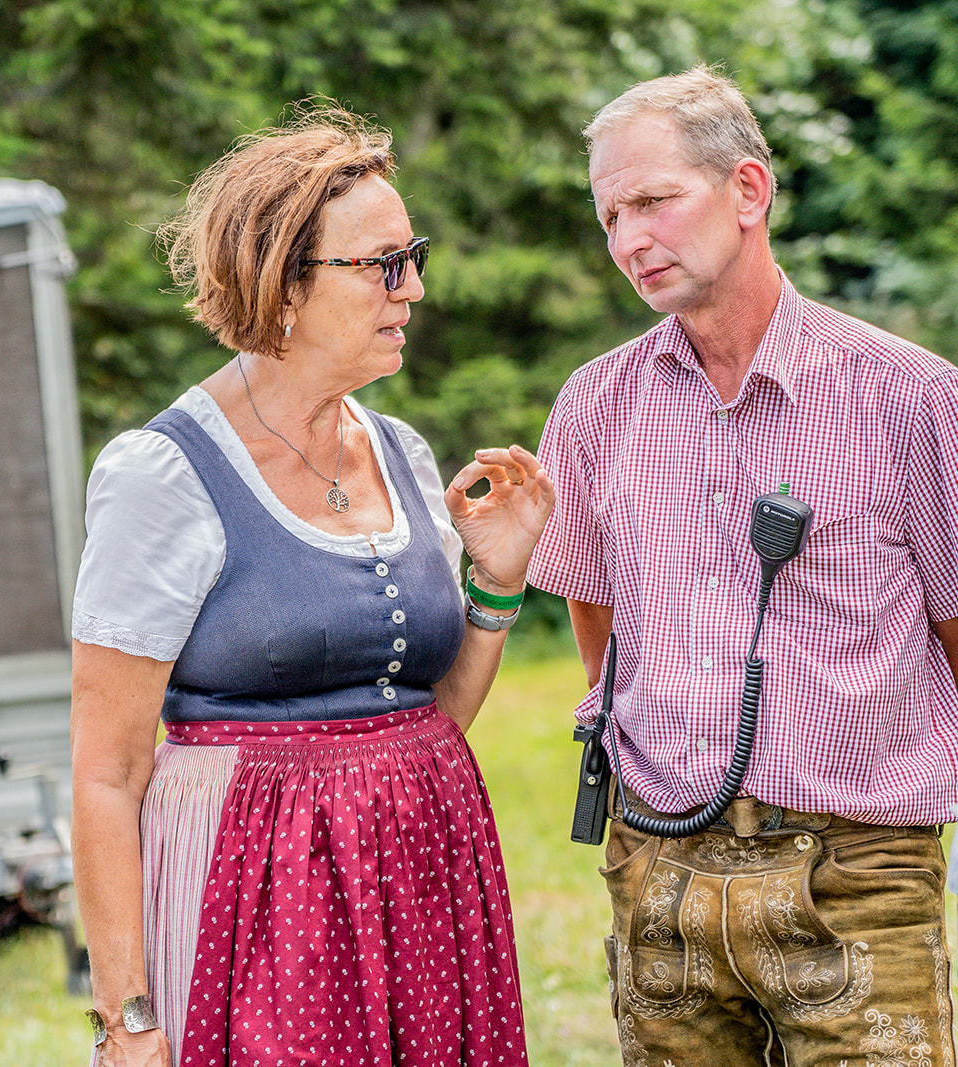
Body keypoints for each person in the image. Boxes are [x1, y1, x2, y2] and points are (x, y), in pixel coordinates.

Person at [70, 104, 553, 1067]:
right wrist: (126, 1015)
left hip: (422, 885)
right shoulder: (164, 475)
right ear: (283, 284)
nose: (411, 287)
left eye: (412, 256)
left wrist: (494, 591)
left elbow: (426, 721)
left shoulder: (403, 453)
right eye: (381, 264)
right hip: (258, 903)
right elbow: (105, 773)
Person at [529, 65, 958, 1066]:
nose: (630, 238)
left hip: (860, 868)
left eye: (654, 200)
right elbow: (599, 627)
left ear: (748, 191)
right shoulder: (592, 409)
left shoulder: (912, 399)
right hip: (659, 861)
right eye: (610, 215)